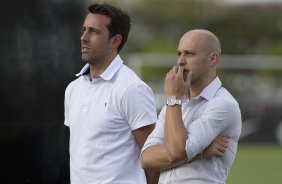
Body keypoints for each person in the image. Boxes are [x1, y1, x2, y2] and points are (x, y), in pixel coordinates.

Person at [64, 3, 159, 183]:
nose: (83, 37)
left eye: (94, 31)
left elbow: (153, 159)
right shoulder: (73, 88)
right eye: (84, 29)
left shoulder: (132, 89)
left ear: (115, 41)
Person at [141, 29, 242, 183]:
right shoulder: (174, 103)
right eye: (179, 53)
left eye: (189, 54)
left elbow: (175, 153)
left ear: (213, 59)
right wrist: (200, 153)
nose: (180, 61)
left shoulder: (223, 104)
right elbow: (147, 159)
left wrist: (173, 98)